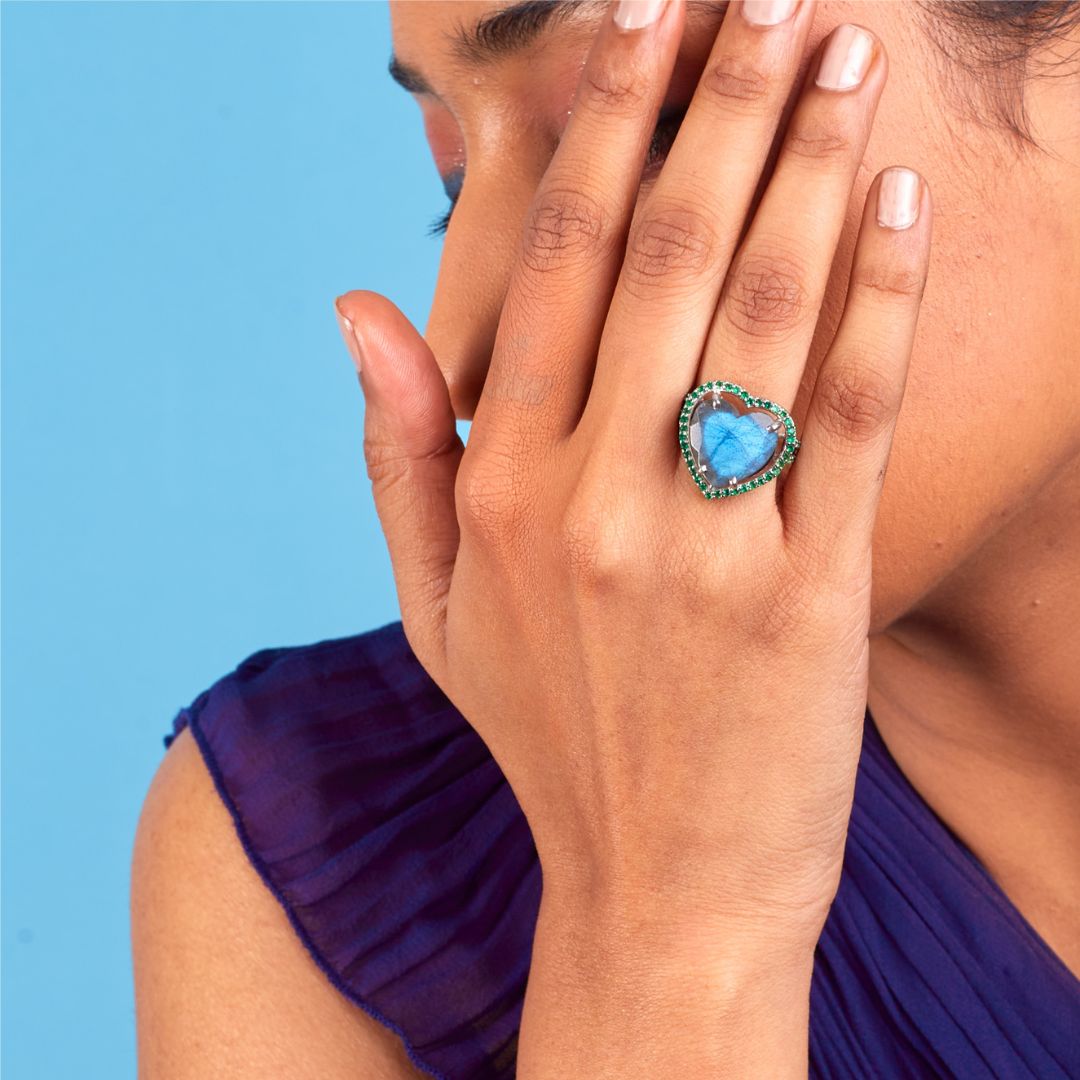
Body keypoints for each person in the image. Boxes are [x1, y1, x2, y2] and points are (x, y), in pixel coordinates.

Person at [130, 1, 1080, 1076]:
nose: (467, 353)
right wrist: (666, 936)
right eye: (452, 189)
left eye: (650, 139)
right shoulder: (337, 854)